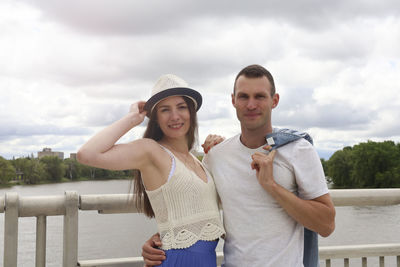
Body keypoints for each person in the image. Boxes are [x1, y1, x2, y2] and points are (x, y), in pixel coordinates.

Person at [142, 65, 336, 266]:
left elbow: (326, 225)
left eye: (259, 96)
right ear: (233, 100)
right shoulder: (216, 156)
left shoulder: (299, 150)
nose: (251, 105)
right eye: (244, 97)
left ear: (274, 100)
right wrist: (161, 239)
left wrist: (272, 186)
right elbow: (194, 211)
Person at [77, 74, 225, 267]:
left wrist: (220, 150)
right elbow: (87, 154)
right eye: (165, 110)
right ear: (156, 119)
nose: (175, 116)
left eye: (181, 107)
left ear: (191, 111)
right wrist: (133, 118)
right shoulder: (151, 151)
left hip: (206, 260)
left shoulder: (197, 161)